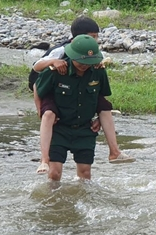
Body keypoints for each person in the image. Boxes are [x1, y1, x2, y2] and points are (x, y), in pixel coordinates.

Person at [29, 16, 133, 174]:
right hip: (51, 85)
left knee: (104, 106)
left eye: (96, 38)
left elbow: (102, 92)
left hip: (82, 90)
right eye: (92, 37)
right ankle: (44, 160)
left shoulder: (94, 61)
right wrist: (52, 63)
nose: (95, 41)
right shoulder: (60, 52)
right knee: (48, 114)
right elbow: (36, 75)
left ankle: (114, 151)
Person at [34, 35, 110, 181]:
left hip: (84, 128)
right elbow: (37, 87)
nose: (84, 65)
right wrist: (40, 111)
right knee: (54, 173)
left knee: (85, 173)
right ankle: (52, 200)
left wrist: (100, 119)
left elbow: (102, 99)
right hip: (59, 128)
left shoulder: (98, 71)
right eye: (81, 61)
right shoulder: (55, 70)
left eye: (88, 62)